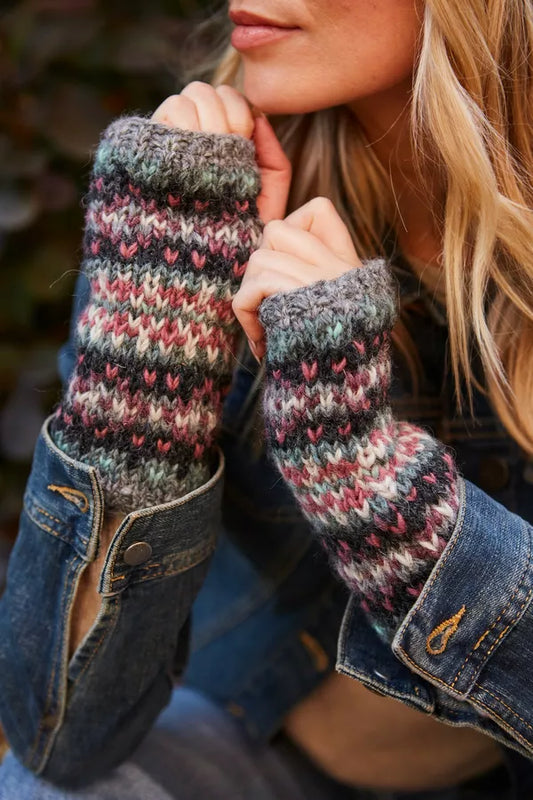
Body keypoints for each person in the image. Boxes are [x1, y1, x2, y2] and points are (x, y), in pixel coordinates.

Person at [0, 0, 533, 797]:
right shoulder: (191, 209)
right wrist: (144, 382)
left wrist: (365, 478)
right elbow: (62, 743)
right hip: (261, 751)